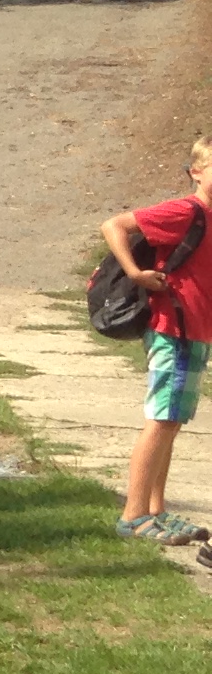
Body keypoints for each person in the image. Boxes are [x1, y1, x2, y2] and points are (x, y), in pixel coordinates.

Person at [101, 136, 212, 545]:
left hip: (196, 333)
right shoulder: (187, 210)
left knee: (172, 423)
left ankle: (155, 511)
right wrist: (135, 273)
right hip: (172, 330)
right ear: (195, 172)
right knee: (161, 421)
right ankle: (133, 515)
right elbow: (115, 225)